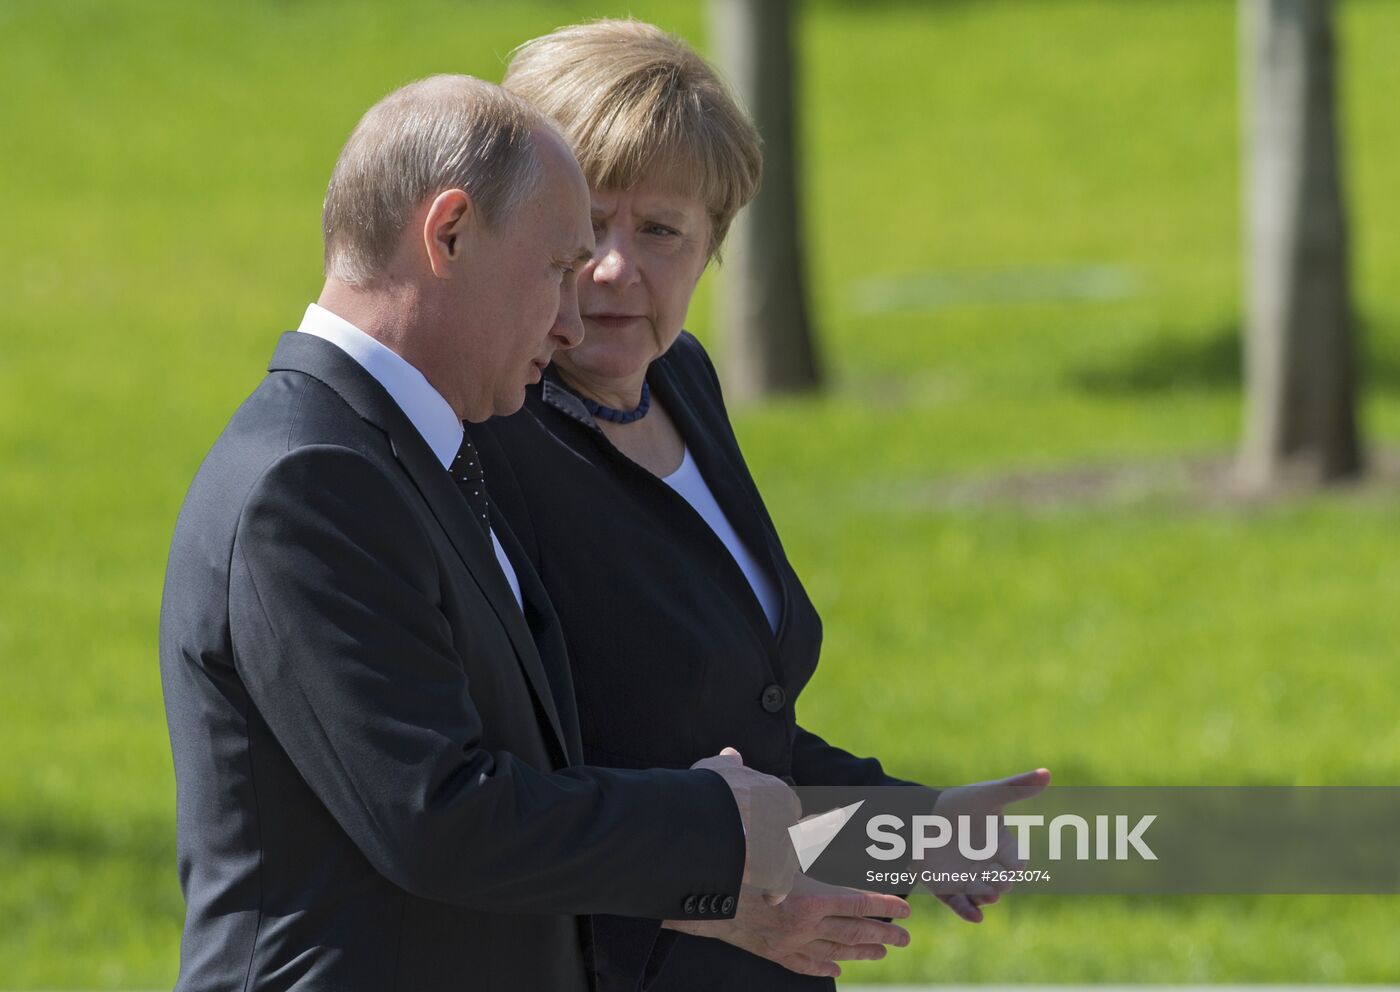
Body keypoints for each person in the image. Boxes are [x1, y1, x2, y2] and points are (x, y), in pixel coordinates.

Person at [157, 74, 852, 992]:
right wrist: (714, 830)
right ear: (447, 235)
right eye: (559, 267)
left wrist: (921, 831)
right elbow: (438, 817)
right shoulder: (313, 479)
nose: (574, 316)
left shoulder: (413, 451)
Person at [477, 21, 1050, 989]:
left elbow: (736, 724)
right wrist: (713, 904)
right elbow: (501, 798)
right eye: (587, 230)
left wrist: (908, 819)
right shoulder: (486, 432)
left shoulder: (680, 380)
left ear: (713, 245)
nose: (616, 268)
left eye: (659, 230)